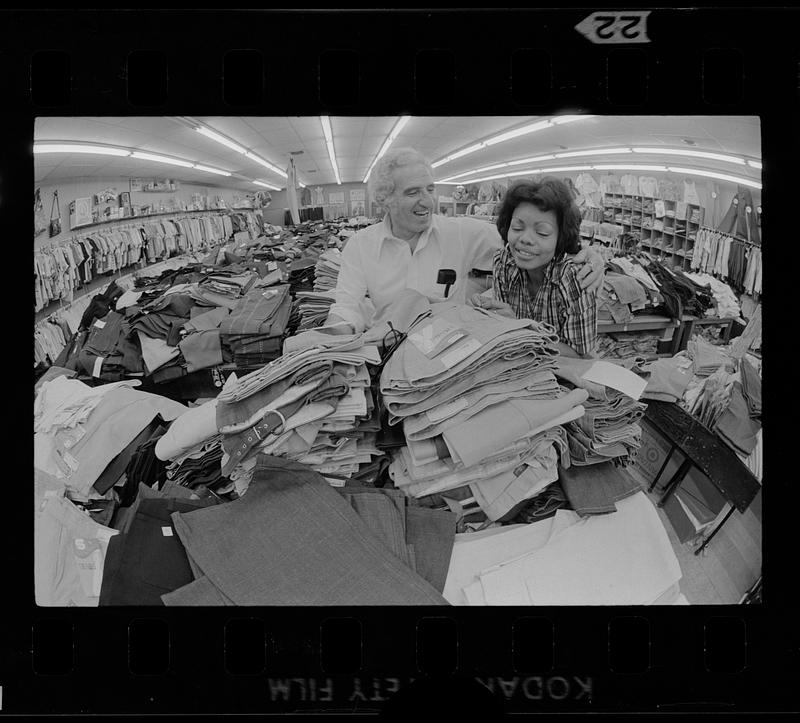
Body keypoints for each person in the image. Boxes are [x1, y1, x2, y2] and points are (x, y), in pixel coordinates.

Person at [325, 148, 605, 335]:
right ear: (384, 199)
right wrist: (328, 340)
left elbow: (529, 241)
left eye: (430, 189)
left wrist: (588, 253)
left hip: (449, 356)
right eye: (412, 192)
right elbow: (346, 305)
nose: (427, 200)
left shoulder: (462, 232)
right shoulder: (361, 246)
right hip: (387, 350)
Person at [471, 177, 598, 358]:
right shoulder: (504, 262)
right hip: (520, 364)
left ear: (560, 238)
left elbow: (579, 355)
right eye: (517, 227)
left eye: (542, 232)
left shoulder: (574, 277)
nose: (526, 239)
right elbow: (502, 327)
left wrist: (520, 328)